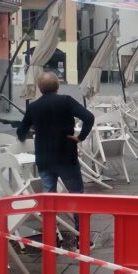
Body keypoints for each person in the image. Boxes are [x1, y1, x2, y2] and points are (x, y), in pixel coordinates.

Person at [16, 72, 94, 238]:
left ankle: (50, 236)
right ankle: (82, 238)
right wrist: (80, 137)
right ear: (57, 86)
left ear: (40, 88)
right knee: (76, 196)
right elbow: (89, 117)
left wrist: (28, 135)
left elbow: (21, 131)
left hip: (45, 158)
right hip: (66, 157)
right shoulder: (66, 101)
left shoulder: (34, 106)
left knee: (49, 197)